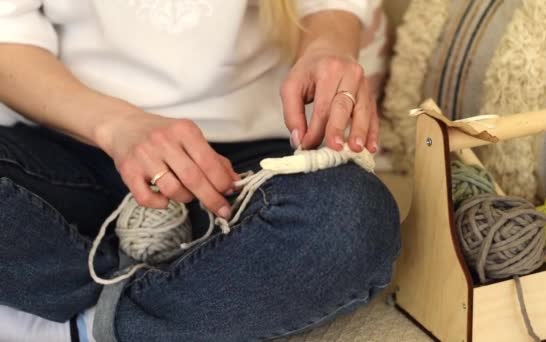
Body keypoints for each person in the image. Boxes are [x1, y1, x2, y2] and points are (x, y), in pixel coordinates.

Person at [0, 1, 400, 341]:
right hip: (69, 142)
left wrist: (326, 47)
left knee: (347, 219)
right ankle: (184, 286)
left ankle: (81, 322)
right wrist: (118, 126)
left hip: (241, 172)